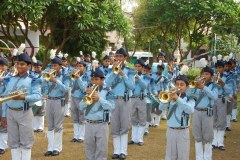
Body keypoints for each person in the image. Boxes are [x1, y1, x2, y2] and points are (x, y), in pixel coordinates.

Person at [1, 52, 42, 160]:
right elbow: (6, 98)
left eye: (22, 64)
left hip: (24, 112)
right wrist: (4, 115)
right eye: (18, 63)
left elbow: (38, 96)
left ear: (28, 66)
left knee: (26, 141)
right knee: (13, 141)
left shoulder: (33, 79)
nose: (19, 66)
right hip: (10, 112)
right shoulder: (10, 79)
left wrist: (23, 97)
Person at [105, 48, 135, 159]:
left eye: (120, 57)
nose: (118, 59)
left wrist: (122, 74)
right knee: (115, 125)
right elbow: (106, 84)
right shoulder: (110, 70)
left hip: (125, 100)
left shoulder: (130, 71)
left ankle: (123, 151)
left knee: (124, 125)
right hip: (113, 100)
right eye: (117, 56)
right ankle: (116, 151)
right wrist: (114, 72)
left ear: (125, 58)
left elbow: (132, 86)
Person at [79, 68, 114, 160]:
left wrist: (100, 99)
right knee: (89, 148)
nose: (94, 82)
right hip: (89, 123)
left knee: (101, 150)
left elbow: (111, 107)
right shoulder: (88, 90)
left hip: (101, 124)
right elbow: (81, 107)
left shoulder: (107, 91)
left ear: (102, 80)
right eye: (93, 79)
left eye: (97, 79)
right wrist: (87, 96)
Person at [159, 74, 195, 160]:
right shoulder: (170, 97)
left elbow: (190, 110)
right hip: (170, 130)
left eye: (182, 84)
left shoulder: (190, 99)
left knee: (183, 156)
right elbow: (161, 108)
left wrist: (177, 99)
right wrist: (165, 99)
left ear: (187, 87)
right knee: (170, 156)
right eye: (177, 84)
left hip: (183, 131)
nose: (179, 86)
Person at [42, 56, 70, 156]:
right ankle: (50, 147)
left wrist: (56, 81)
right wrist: (45, 84)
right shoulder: (48, 75)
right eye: (52, 65)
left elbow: (66, 89)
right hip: (49, 100)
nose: (53, 67)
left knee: (58, 125)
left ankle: (57, 148)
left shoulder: (65, 76)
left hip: (59, 100)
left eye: (55, 65)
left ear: (60, 66)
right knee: (49, 126)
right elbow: (44, 88)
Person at [189, 66, 218, 160]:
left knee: (208, 135)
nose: (204, 76)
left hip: (207, 112)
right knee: (197, 134)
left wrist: (204, 87)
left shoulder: (214, 86)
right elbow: (190, 95)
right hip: (197, 111)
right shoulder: (198, 85)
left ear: (211, 76)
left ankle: (207, 157)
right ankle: (199, 157)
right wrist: (193, 87)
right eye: (203, 74)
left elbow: (214, 97)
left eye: (207, 74)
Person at [212, 59, 233, 150]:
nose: (218, 70)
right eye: (216, 68)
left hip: (221, 99)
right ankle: (213, 142)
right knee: (213, 119)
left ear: (224, 68)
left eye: (220, 67)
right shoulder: (213, 76)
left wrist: (222, 83)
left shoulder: (228, 77)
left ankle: (220, 142)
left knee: (221, 120)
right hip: (213, 99)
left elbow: (229, 91)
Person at [128, 59, 150, 146]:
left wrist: (139, 79)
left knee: (141, 117)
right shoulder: (131, 76)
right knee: (133, 118)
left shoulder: (146, 76)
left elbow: (144, 86)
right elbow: (130, 87)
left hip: (141, 98)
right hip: (133, 98)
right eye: (136, 66)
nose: (137, 68)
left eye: (139, 66)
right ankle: (133, 138)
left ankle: (140, 139)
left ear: (142, 67)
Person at [70, 60, 90, 143]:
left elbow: (83, 88)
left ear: (84, 67)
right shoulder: (74, 74)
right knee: (75, 116)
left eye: (80, 66)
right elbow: (71, 85)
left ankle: (81, 136)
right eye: (77, 66)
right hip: (74, 96)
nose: (78, 68)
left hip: (81, 97)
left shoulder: (87, 76)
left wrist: (78, 78)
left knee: (82, 116)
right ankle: (75, 136)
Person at [30, 58, 45, 132]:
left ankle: (40, 127)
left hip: (42, 94)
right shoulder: (32, 74)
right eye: (35, 67)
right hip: (34, 95)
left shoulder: (44, 75)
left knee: (41, 112)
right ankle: (35, 127)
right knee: (34, 111)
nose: (36, 68)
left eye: (38, 67)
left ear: (41, 67)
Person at [0, 57, 9, 154]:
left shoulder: (10, 75)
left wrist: (2, 80)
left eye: (3, 65)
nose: (1, 67)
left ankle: (2, 146)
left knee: (4, 123)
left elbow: (11, 88)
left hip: (4, 100)